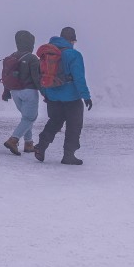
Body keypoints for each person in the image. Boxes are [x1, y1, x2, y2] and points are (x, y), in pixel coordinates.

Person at [34, 27, 92, 165]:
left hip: (53, 96)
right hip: (72, 98)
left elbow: (41, 76)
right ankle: (68, 155)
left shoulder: (47, 53)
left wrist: (46, 93)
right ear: (72, 40)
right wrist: (86, 96)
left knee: (54, 122)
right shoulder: (74, 54)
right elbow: (79, 78)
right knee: (74, 126)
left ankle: (41, 146)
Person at [0, 30, 41, 155]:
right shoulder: (32, 58)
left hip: (14, 92)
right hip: (29, 92)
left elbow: (6, 75)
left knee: (26, 118)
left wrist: (6, 91)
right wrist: (45, 93)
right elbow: (37, 78)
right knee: (30, 118)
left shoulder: (12, 56)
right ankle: (14, 139)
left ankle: (28, 143)